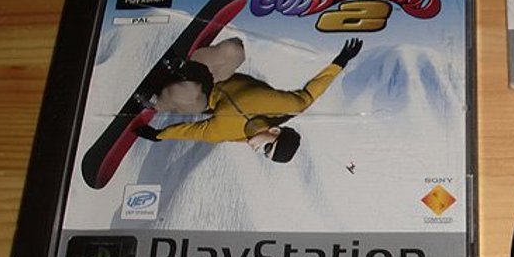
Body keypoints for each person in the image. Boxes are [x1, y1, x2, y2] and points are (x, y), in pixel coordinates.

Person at [135, 37, 363, 163]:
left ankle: (155, 100)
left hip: (204, 98)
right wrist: (341, 61)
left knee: (188, 94)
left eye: (265, 154)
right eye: (267, 148)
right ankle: (183, 65)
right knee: (235, 50)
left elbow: (192, 132)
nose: (259, 150)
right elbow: (312, 92)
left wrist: (159, 135)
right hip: (218, 76)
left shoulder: (226, 132)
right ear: (275, 131)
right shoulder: (285, 106)